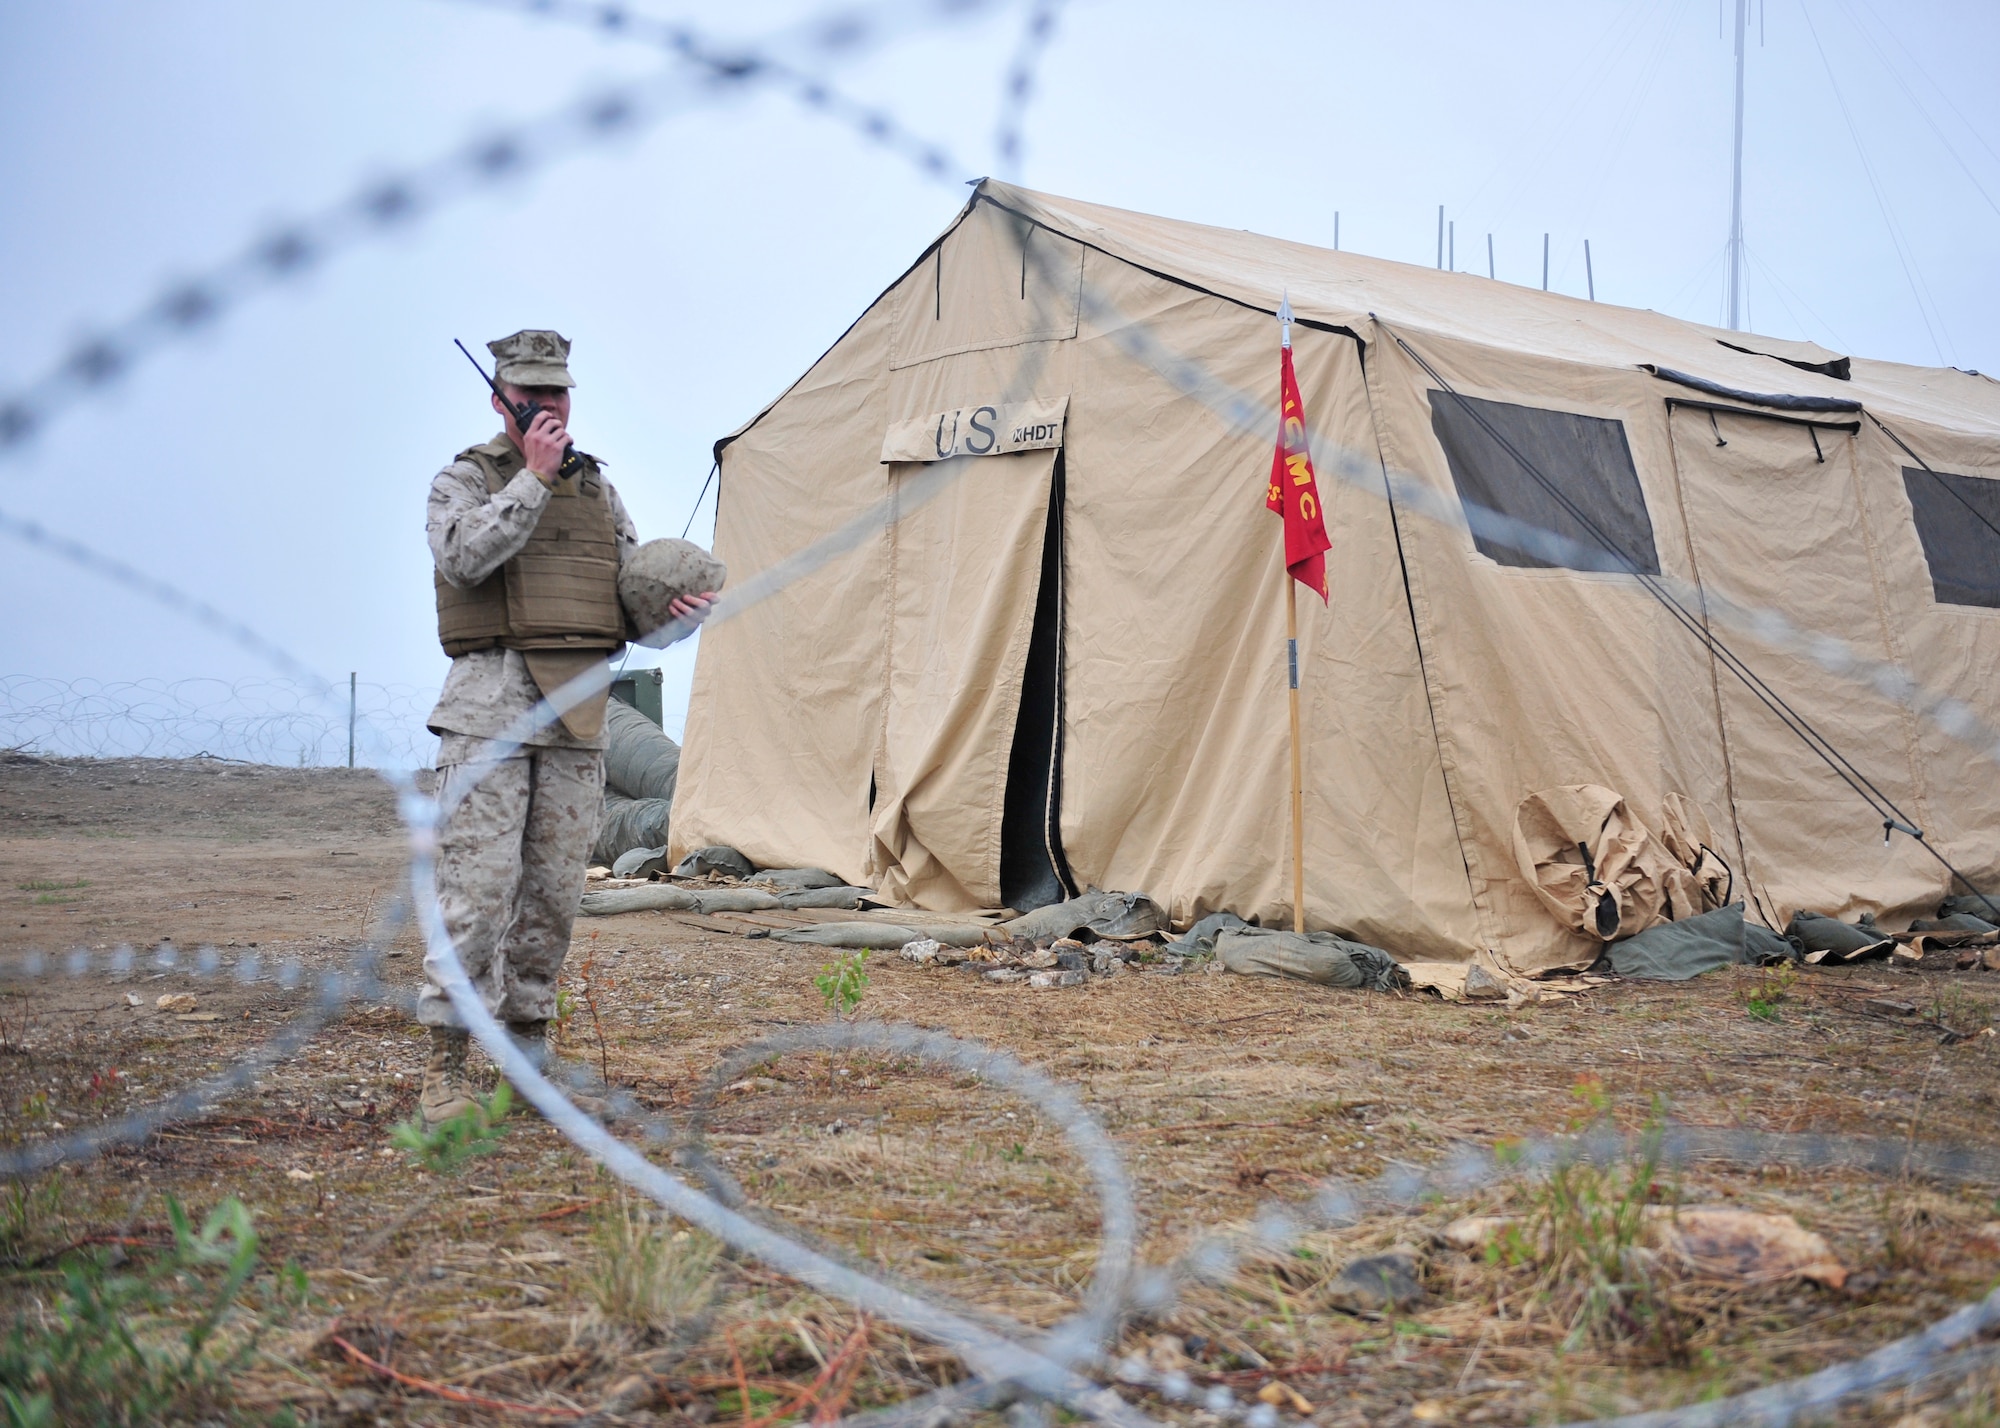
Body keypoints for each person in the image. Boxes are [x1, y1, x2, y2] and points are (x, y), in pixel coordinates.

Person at [418, 328, 713, 1126]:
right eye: (533, 395)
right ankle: (445, 1070)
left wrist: (673, 617)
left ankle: (527, 1066)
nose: (549, 406)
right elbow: (461, 559)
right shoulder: (465, 481)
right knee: (477, 896)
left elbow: (623, 608)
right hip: (490, 709)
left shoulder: (599, 494)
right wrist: (533, 482)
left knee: (550, 901)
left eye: (559, 393)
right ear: (502, 399)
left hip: (577, 714)